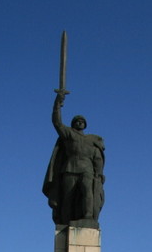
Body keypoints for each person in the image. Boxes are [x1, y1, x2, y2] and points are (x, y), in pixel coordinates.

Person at [42, 92, 105, 225]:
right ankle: (66, 221)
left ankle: (88, 217)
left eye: (82, 121)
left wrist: (99, 174)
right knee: (67, 198)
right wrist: (57, 104)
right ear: (73, 124)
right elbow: (57, 123)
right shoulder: (69, 134)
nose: (80, 122)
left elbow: (97, 159)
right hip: (69, 169)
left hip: (87, 170)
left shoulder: (92, 140)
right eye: (77, 121)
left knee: (88, 192)